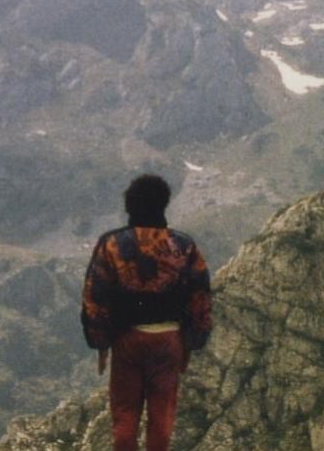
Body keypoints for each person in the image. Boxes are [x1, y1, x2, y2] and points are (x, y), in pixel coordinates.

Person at [81, 175, 212, 451]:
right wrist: (193, 340)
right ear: (164, 203)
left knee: (125, 416)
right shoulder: (184, 246)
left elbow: (95, 298)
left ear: (129, 205)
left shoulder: (112, 245)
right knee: (162, 416)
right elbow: (200, 297)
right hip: (169, 340)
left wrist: (101, 341)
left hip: (127, 340)